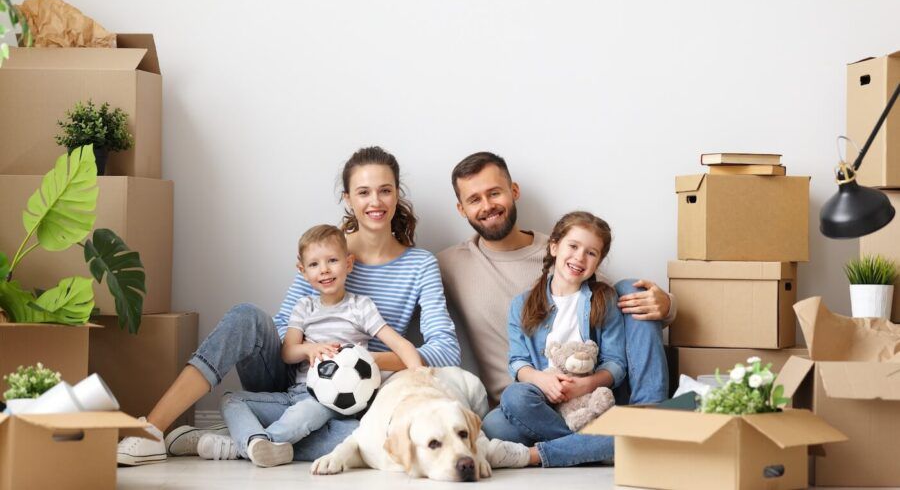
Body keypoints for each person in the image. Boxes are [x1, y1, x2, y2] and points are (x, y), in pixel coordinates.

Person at [117, 146, 460, 466]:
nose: (376, 201)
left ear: (397, 193)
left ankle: (235, 441)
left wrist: (357, 360)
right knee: (246, 316)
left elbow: (446, 351)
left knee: (368, 441)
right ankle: (151, 431)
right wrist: (312, 351)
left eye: (385, 190)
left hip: (354, 396)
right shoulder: (327, 254)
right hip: (292, 376)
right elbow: (283, 325)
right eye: (364, 192)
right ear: (348, 199)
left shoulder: (420, 265)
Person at [437, 151, 674, 408]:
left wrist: (669, 306)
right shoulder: (450, 264)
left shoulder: (565, 251)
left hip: (584, 389)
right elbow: (399, 276)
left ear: (514, 191)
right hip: (524, 400)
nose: (487, 206)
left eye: (494, 193)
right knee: (500, 424)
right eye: (474, 199)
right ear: (461, 209)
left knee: (629, 286)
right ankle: (597, 441)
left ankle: (649, 410)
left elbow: (611, 303)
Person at [201, 224, 424, 467]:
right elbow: (287, 353)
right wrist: (309, 349)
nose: (325, 270)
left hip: (333, 400)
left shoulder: (361, 307)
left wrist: (419, 376)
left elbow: (401, 345)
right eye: (314, 264)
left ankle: (245, 444)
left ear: (348, 264)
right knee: (231, 400)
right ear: (303, 271)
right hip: (295, 394)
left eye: (332, 261)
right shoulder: (304, 307)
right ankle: (257, 443)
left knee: (316, 417)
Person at [482, 211, 624, 467]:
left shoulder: (604, 300)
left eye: (591, 253)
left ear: (598, 262)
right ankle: (588, 446)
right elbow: (518, 362)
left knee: (505, 428)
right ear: (554, 246)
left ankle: (548, 454)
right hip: (543, 400)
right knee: (501, 414)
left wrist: (586, 384)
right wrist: (541, 379)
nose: (580, 257)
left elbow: (616, 364)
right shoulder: (522, 304)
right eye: (573, 246)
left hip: (588, 401)